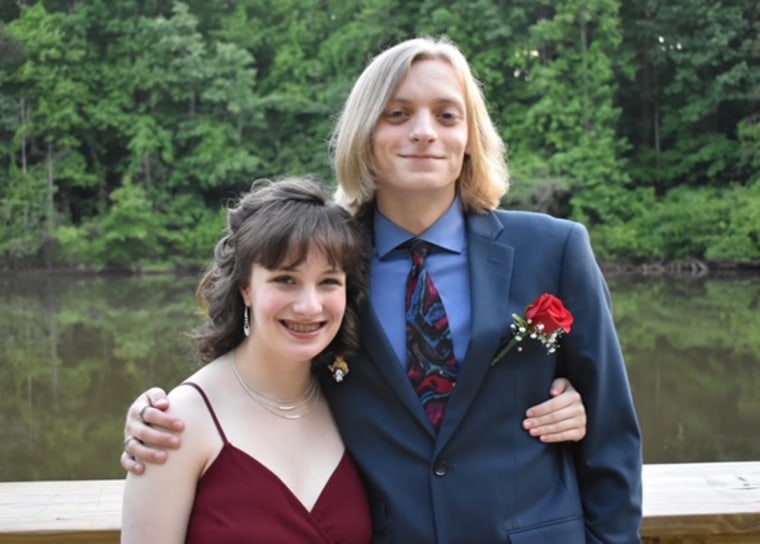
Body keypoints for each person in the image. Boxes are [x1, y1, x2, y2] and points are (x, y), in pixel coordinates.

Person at [123, 36, 642, 542]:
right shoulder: (329, 265)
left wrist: (582, 413)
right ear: (365, 135)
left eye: (446, 115)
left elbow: (612, 433)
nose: (423, 132)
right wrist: (165, 416)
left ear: (469, 139)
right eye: (397, 114)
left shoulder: (555, 250)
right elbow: (264, 361)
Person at [121, 176, 373, 543]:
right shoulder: (177, 423)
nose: (309, 306)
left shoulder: (351, 400)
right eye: (286, 279)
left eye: (329, 282)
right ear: (246, 288)